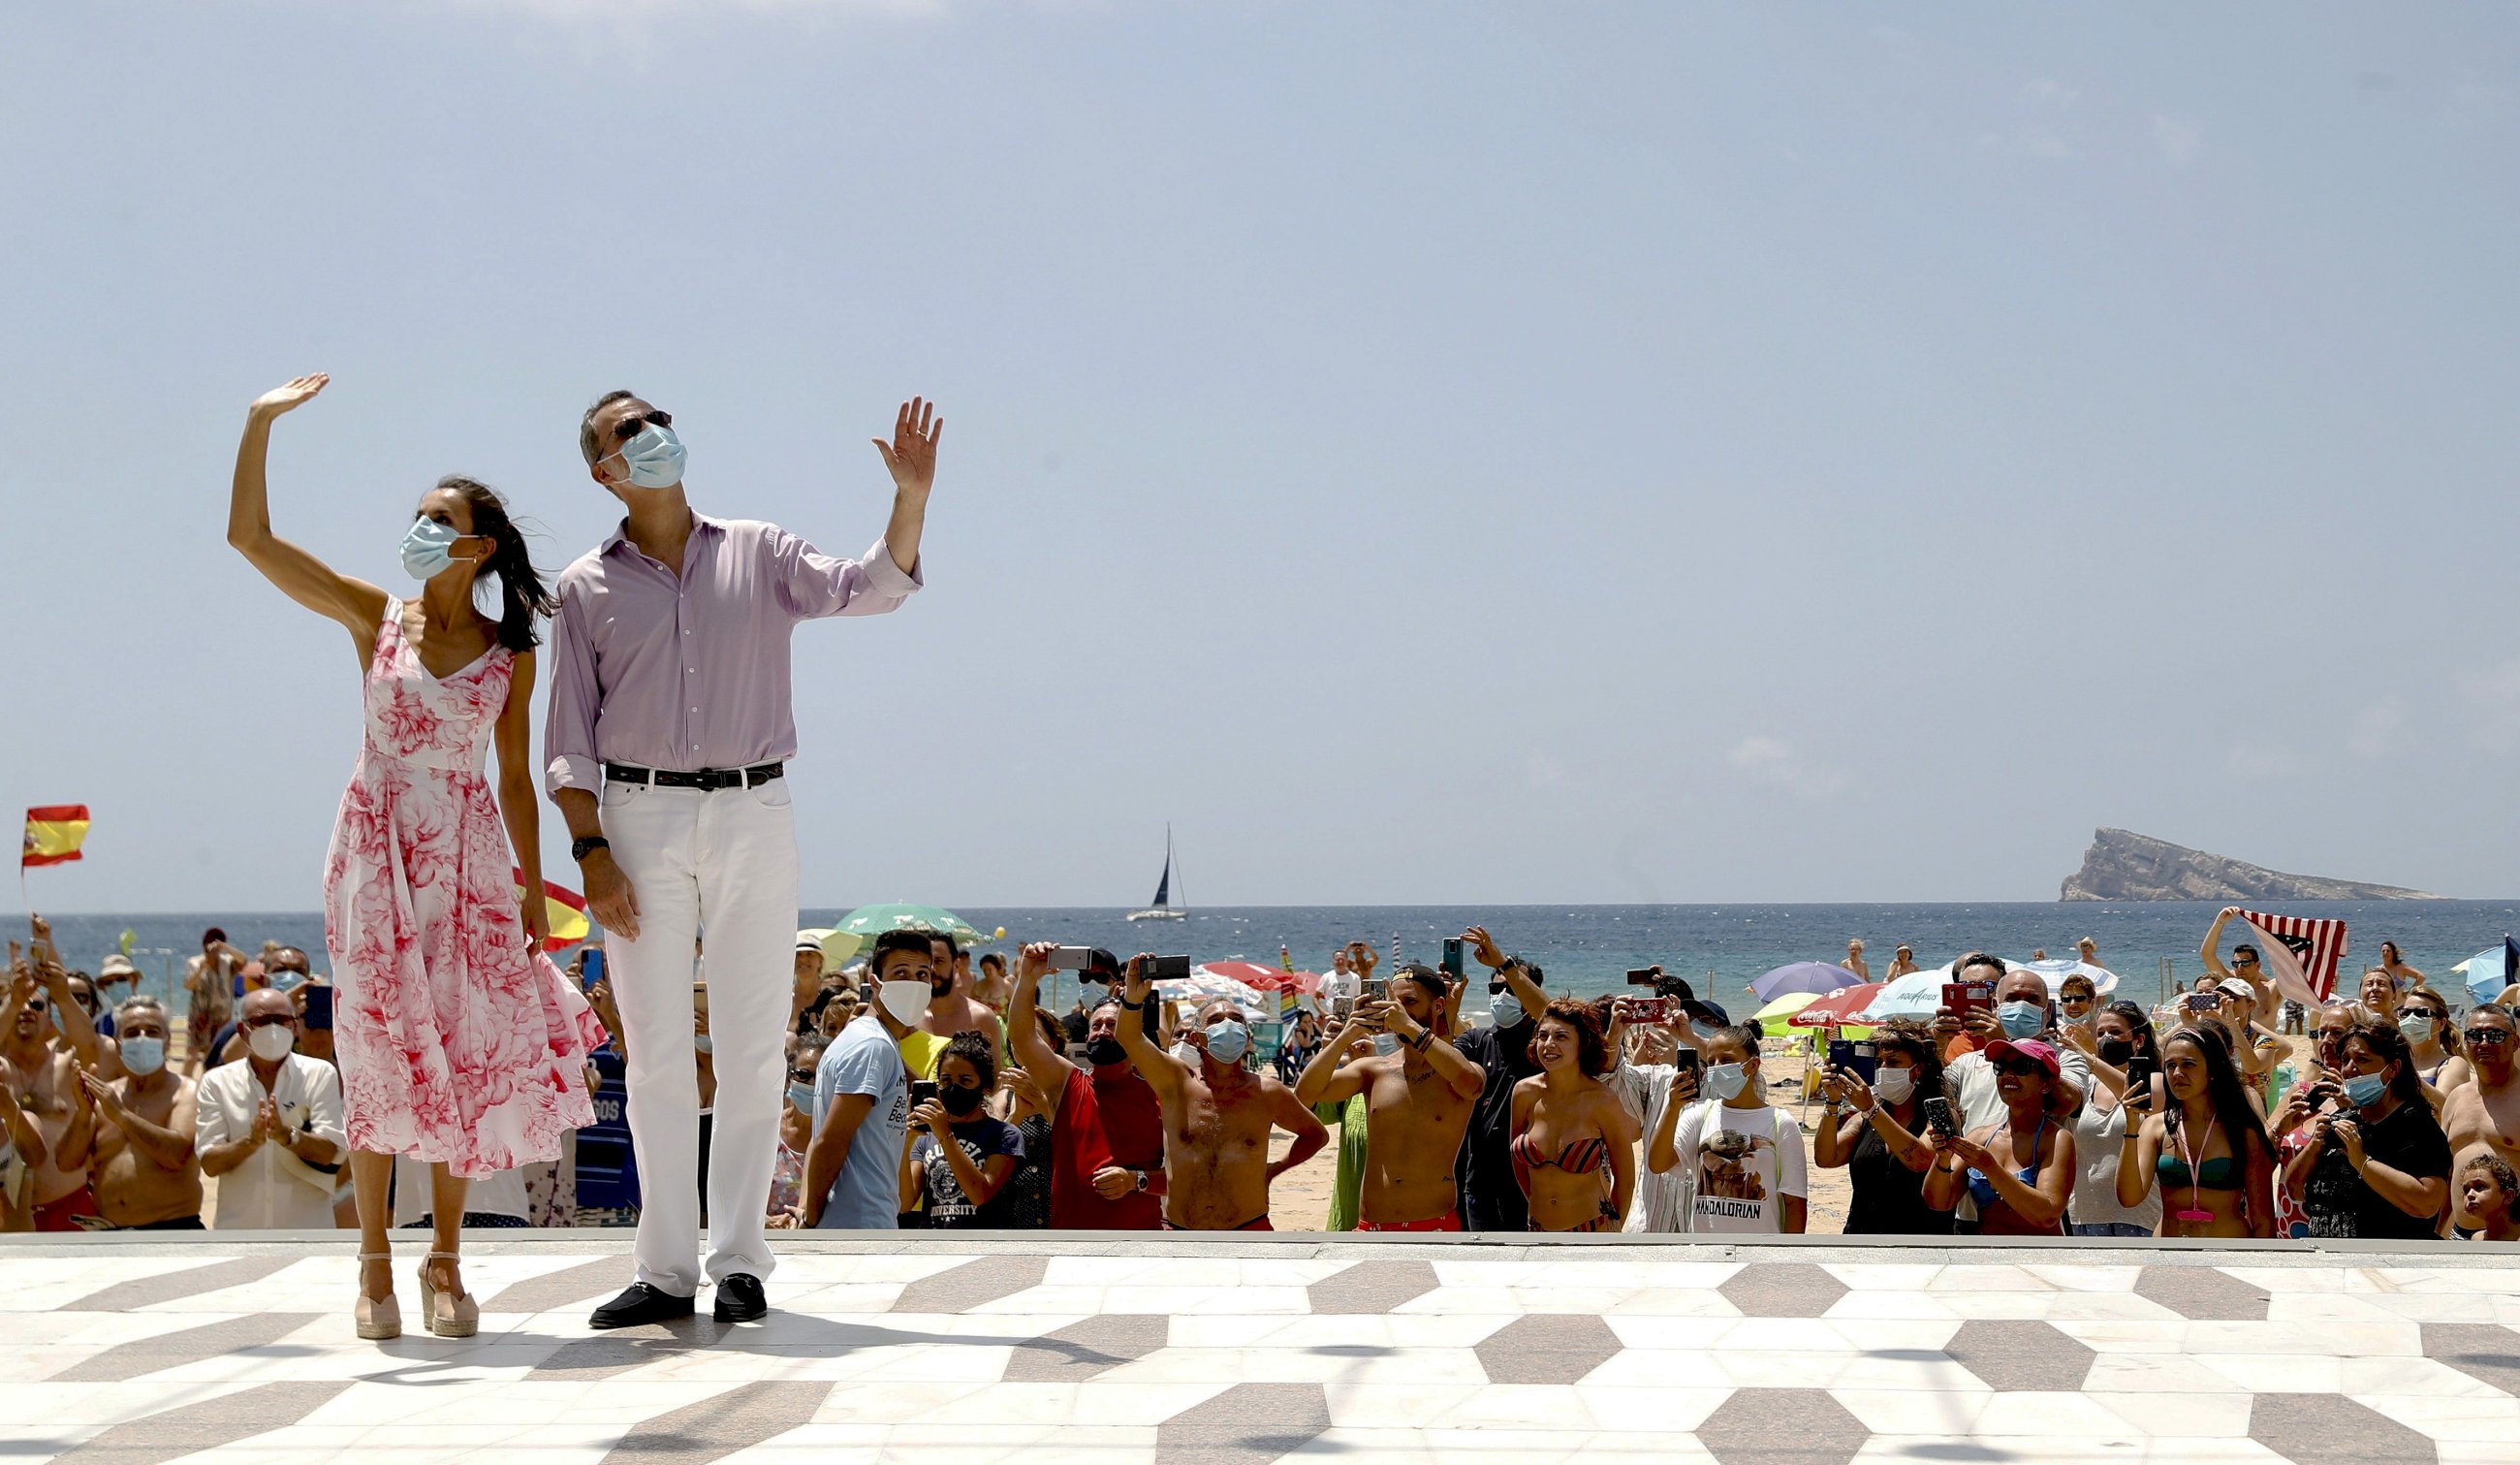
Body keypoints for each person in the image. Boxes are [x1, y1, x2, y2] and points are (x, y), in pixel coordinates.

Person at [546, 390, 936, 1327]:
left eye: (655, 419)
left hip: (757, 809)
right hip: (635, 819)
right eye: (624, 432)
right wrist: (592, 852)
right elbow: (566, 742)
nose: (649, 435)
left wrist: (911, 498)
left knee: (758, 1047)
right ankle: (666, 1267)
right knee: (656, 1054)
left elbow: (870, 587)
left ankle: (739, 1260)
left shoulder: (759, 551)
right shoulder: (582, 586)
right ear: (603, 471)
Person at [228, 373, 599, 1339]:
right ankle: (373, 1263)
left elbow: (514, 779)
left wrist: (527, 886)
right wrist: (258, 425)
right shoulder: (374, 616)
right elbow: (252, 542)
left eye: (441, 518)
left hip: (468, 861)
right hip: (371, 848)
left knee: (459, 1052)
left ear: (477, 544)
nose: (421, 527)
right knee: (375, 1047)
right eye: (418, 514)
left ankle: (444, 1258)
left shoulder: (511, 651)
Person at [1116, 955, 1327, 1229]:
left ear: (1247, 1037)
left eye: (1237, 1019)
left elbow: (1316, 1135)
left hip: (1249, 1226)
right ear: (1196, 1038)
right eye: (1215, 1020)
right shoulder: (1176, 1082)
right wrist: (1133, 998)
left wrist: (1275, 1168)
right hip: (1181, 1229)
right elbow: (1129, 1038)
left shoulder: (1267, 1092)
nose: (1228, 1025)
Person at [1292, 963, 1485, 1230]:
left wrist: (1407, 1025)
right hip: (1371, 1225)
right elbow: (1305, 1093)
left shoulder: (1455, 1071)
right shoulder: (1375, 1070)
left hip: (1433, 1224)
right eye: (1395, 1002)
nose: (1400, 1009)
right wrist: (1346, 1035)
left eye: (1410, 1001)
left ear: (1438, 1006)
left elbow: (1473, 1085)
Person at [1005, 944, 1166, 1229]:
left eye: (1112, 1025)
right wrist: (1027, 979)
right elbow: (1023, 1038)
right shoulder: (1069, 1082)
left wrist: (1136, 1180)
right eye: (1096, 1025)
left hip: (1140, 1244)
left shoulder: (1161, 1092)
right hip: (1071, 1242)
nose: (1103, 1031)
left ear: (1131, 1033)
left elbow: (1189, 1176)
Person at [802, 933, 934, 1229]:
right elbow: (831, 1140)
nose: (913, 983)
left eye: (922, 974)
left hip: (861, 1219)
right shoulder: (872, 1046)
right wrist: (810, 1219)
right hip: (859, 1222)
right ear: (875, 982)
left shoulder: (876, 1042)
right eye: (901, 973)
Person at [2285, 1021, 2453, 1240]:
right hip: (2328, 1260)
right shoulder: (2343, 1121)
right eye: (2346, 1060)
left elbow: (2427, 1203)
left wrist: (2362, 1161)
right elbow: (2295, 1191)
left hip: (2387, 1262)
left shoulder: (2416, 1126)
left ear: (2393, 1068)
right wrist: (2315, 1145)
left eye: (2362, 1059)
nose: (2350, 1068)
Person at [196, 988, 346, 1230]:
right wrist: (251, 1142)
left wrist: (286, 1136)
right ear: (243, 1031)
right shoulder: (216, 1082)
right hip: (238, 1233)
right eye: (262, 1021)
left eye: (282, 1021)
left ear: (295, 1027)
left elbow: (331, 1151)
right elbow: (210, 1164)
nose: (273, 1029)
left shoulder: (319, 1074)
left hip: (309, 1232)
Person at [2115, 1026, 2275, 1238]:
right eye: (2170, 1065)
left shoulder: (2242, 1132)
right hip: (2169, 1253)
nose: (2177, 1074)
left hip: (2229, 1253)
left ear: (2213, 1071)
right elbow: (2129, 1198)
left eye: (2188, 1064)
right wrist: (2131, 1126)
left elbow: (2263, 1219)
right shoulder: (2156, 1127)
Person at [1649, 1020, 1800, 1234]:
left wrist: (1785, 1261)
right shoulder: (1700, 1115)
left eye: (1727, 1059)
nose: (1718, 1067)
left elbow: (1794, 1202)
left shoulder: (1780, 1123)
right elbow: (1657, 1164)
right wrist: (1672, 1108)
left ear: (1753, 1065)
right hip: (1706, 1253)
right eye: (1711, 1061)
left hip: (1762, 1252)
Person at [1451, 927, 1551, 1232]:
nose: (1502, 996)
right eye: (1496, 990)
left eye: (1511, 989)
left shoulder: (1544, 1043)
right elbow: (1443, 1063)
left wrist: (1505, 965)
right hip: (1480, 1179)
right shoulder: (1477, 1040)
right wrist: (1447, 1004)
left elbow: (1551, 1016)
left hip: (1532, 1178)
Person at [1924, 1037, 2075, 1236]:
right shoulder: (1980, 1137)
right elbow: (1938, 1202)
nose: (2008, 1075)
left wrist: (1990, 1168)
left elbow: (2046, 1214)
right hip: (1988, 1256)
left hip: (2039, 1258)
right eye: (2000, 1067)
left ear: (2045, 1084)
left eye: (2021, 1067)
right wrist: (1942, 1160)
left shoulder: (2056, 1139)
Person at [1813, 1019, 1948, 1235]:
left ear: (1919, 1068)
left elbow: (1921, 1160)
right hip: (1861, 1240)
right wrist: (1832, 1102)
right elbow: (1826, 1158)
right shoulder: (1862, 1119)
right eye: (1877, 1063)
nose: (1883, 1069)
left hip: (1921, 1242)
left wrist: (1871, 1109)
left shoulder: (1938, 1113)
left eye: (1893, 1062)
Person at [1517, 1000, 1639, 1233]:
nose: (1549, 1044)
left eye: (1561, 1037)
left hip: (1591, 1230)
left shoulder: (1603, 1101)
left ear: (1582, 1044)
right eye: (1543, 1036)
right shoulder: (1524, 1093)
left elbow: (1625, 1180)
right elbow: (1518, 1164)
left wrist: (1614, 1232)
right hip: (1537, 1231)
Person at [79, 999, 203, 1229]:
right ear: (119, 1044)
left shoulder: (186, 1091)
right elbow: (67, 1161)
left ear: (167, 1042)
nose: (142, 1038)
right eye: (132, 1032)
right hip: (110, 1231)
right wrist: (81, 1115)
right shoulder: (106, 1095)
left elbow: (177, 1154)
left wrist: (121, 1116)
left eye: (153, 1032)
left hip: (172, 1228)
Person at [1935, 955, 2090, 1131]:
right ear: (1995, 1006)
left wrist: (2004, 1051)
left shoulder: (2067, 1059)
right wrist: (1938, 1043)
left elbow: (2066, 1104)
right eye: (2012, 999)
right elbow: (1930, 1096)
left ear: (2048, 1012)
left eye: (2032, 1000)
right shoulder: (1968, 1063)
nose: (2022, 1006)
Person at [4, 949, 98, 1231]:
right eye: (19, 1005)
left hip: (68, 1207)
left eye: (37, 1005)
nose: (26, 1010)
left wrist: (63, 995)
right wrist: (13, 1000)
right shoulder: (1, 1070)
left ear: (50, 1021)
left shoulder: (67, 1064)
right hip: (7, 1212)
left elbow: (89, 1044)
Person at [2063, 1001, 2166, 1237]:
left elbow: (2139, 1099)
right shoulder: (2085, 1085)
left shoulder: (2156, 1081)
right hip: (2086, 1214)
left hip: (2141, 1215)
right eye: (2100, 1033)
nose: (2106, 1038)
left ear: (2138, 1041)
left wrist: (2087, 1057)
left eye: (2116, 1032)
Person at [902, 1033, 1024, 1227]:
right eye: (946, 1080)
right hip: (934, 1245)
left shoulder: (1004, 1135)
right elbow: (904, 1203)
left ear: (984, 1086)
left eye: (965, 1080)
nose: (953, 1088)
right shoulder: (926, 1137)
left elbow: (980, 1194)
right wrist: (905, 1141)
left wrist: (945, 1135)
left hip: (981, 1246)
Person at [2442, 1003, 2520, 1195]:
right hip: (2460, 1225)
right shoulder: (2457, 1097)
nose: (2484, 1043)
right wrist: (2439, 1225)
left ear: (2516, 1042)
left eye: (2495, 1036)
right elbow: (2447, 1172)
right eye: (2474, 1036)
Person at [765, 1035, 822, 1229]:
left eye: (821, 1076)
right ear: (790, 1077)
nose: (812, 1083)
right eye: (804, 1075)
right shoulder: (766, 1129)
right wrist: (762, 1221)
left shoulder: (838, 1136)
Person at [182, 929, 246, 1078]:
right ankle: (184, 1084)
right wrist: (202, 968)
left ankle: (207, 1085)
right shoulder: (195, 962)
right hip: (200, 1016)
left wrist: (225, 948)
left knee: (212, 1057)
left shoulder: (227, 962)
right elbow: (188, 985)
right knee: (191, 1056)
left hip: (222, 1017)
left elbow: (243, 960)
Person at [918, 933, 999, 1044]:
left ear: (956, 965)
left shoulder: (982, 1018)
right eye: (926, 962)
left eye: (939, 961)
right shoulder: (910, 1019)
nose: (932, 968)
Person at [2400, 987, 2469, 1101]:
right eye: (2405, 1013)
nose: (2411, 1019)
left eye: (2422, 1013)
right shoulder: (2395, 1061)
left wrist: (2404, 1074)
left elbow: (2443, 1110)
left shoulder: (2452, 1064)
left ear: (2441, 1023)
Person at [2455, 1151, 2520, 1242]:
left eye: (2479, 1187)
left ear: (2508, 1196)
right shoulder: (2477, 1239)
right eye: (2466, 1191)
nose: (2469, 1195)